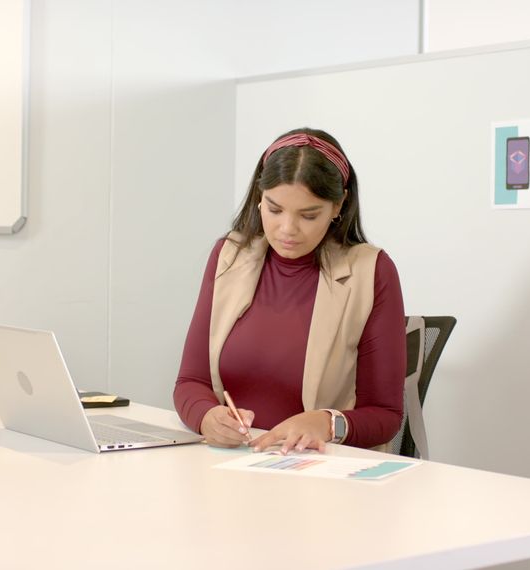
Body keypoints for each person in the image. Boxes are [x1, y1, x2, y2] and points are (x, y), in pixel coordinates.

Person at [173, 127, 405, 454]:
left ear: (338, 206)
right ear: (258, 197)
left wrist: (326, 423)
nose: (287, 230)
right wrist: (207, 416)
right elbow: (190, 382)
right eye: (274, 209)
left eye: (309, 215)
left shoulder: (371, 271)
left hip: (317, 473)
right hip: (233, 463)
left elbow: (386, 415)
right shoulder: (229, 255)